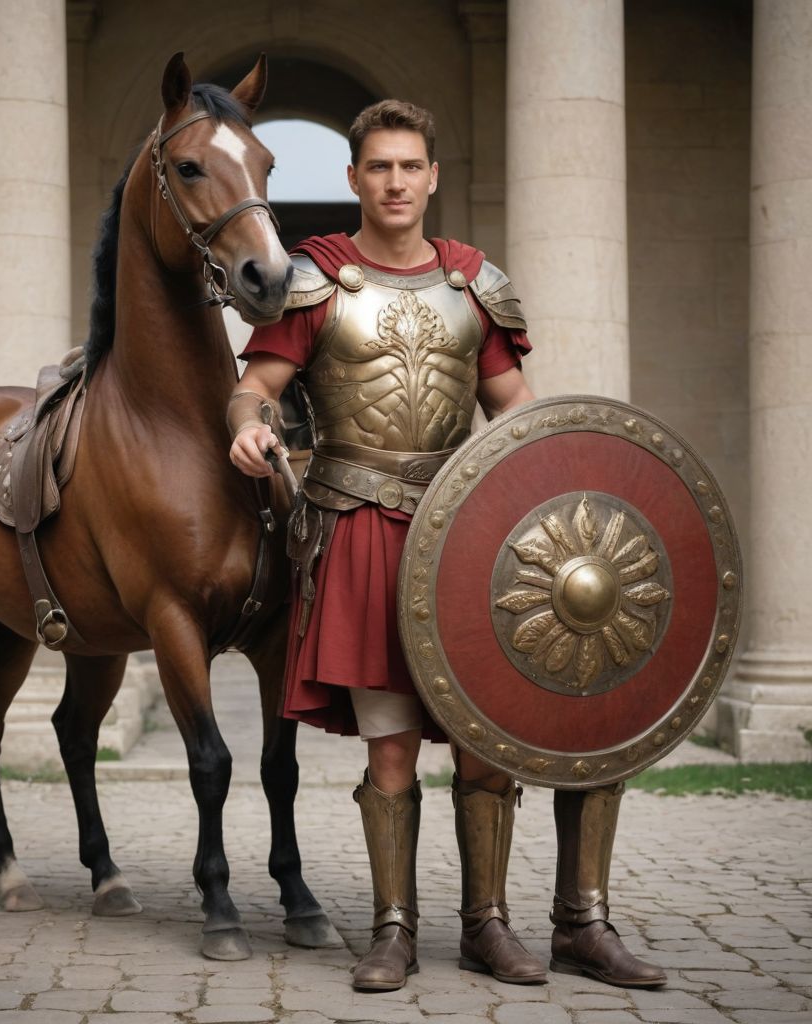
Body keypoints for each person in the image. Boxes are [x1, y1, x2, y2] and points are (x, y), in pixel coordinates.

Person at [227, 100, 666, 993]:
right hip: (357, 525)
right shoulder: (315, 281)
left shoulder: (472, 285)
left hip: (468, 537)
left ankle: (486, 927)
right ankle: (393, 930)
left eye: (410, 166)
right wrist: (248, 426)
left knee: (485, 742)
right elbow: (254, 388)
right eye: (378, 167)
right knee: (389, 746)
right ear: (354, 180)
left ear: (432, 176)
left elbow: (516, 413)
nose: (395, 181)